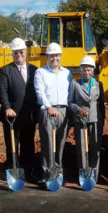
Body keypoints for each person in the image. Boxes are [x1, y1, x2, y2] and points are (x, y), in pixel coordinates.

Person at [0, 38, 39, 182]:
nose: (19, 54)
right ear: (12, 54)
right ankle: (13, 171)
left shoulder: (34, 70)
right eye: (16, 52)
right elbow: (3, 92)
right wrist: (7, 108)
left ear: (25, 52)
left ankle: (28, 172)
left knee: (28, 144)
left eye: (21, 51)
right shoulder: (5, 70)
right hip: (12, 117)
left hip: (29, 116)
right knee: (12, 145)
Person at [34, 42, 72, 186]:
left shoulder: (67, 73)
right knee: (48, 144)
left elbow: (69, 93)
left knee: (60, 143)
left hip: (63, 110)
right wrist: (49, 107)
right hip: (47, 111)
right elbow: (40, 92)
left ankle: (58, 172)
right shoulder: (41, 72)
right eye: (51, 55)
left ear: (60, 56)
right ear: (47, 56)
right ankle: (47, 174)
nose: (54, 58)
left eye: (57, 55)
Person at [68, 56, 105, 182]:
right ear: (81, 70)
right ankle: (84, 174)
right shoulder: (75, 84)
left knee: (95, 146)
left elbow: (101, 105)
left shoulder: (99, 84)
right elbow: (70, 102)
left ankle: (94, 174)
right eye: (84, 70)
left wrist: (101, 121)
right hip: (81, 120)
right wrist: (78, 110)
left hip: (95, 120)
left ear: (93, 71)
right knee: (82, 148)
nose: (87, 72)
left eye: (89, 70)